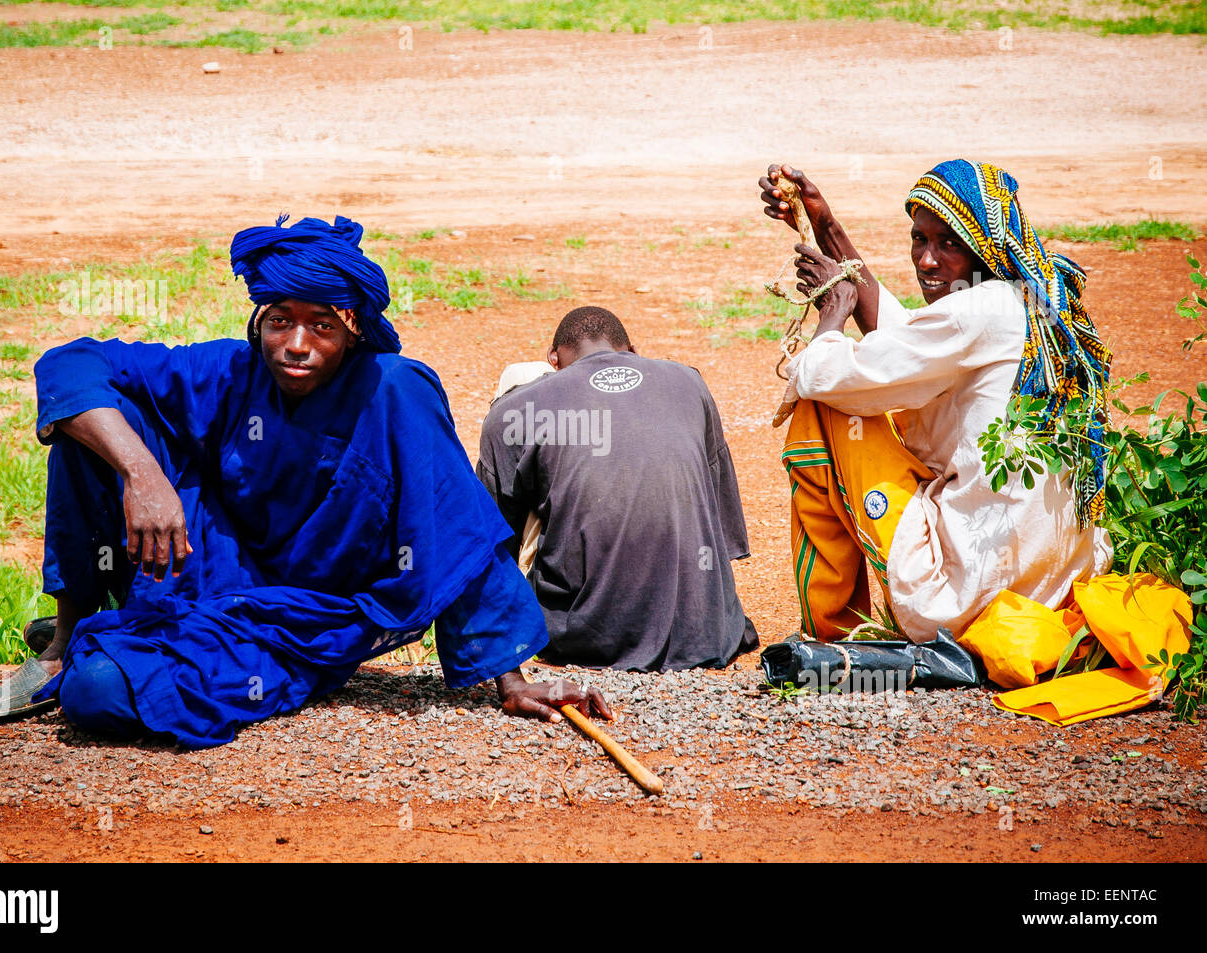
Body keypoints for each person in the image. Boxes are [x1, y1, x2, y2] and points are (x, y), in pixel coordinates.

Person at [0, 214, 611, 746]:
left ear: (354, 329)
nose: (297, 343)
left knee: (99, 693)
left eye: (322, 325)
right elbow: (71, 363)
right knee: (87, 425)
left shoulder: (392, 390)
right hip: (209, 561)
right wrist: (142, 473)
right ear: (260, 320)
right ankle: (62, 638)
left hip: (305, 614)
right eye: (280, 319)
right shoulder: (229, 370)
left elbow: (454, 519)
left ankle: (112, 653)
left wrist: (512, 678)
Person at [756, 160, 1113, 642]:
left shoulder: (976, 313)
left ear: (987, 249)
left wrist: (831, 319)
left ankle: (833, 632)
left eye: (950, 244)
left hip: (965, 601)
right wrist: (825, 224)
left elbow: (829, 376)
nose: (927, 260)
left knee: (821, 407)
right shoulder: (1032, 298)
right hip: (1057, 591)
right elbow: (908, 343)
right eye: (919, 239)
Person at [475, 306, 759, 671]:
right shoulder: (690, 382)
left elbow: (490, 542)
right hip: (707, 631)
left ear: (553, 358)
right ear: (632, 351)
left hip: (589, 637)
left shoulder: (514, 408)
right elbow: (720, 526)